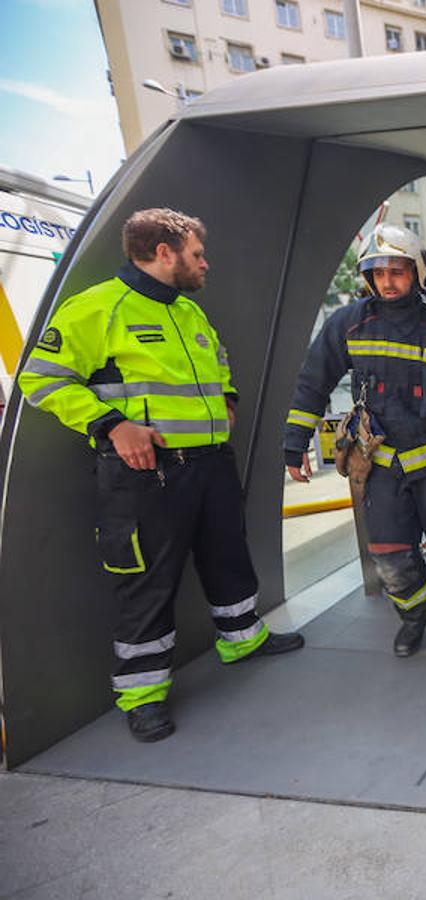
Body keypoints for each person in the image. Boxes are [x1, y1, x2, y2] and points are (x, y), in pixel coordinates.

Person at [17, 208, 304, 743]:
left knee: (227, 556)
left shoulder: (189, 312)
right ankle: (143, 694)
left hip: (211, 464)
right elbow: (40, 378)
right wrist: (111, 426)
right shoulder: (98, 308)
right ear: (165, 252)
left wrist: (228, 398)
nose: (205, 263)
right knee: (147, 583)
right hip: (147, 476)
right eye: (197, 253)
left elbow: (217, 363)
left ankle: (242, 637)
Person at [284, 223, 426, 660]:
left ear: (417, 273)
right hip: (381, 468)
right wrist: (294, 441)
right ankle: (415, 617)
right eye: (378, 274)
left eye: (396, 271)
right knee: (391, 562)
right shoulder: (350, 325)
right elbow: (312, 381)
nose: (387, 282)